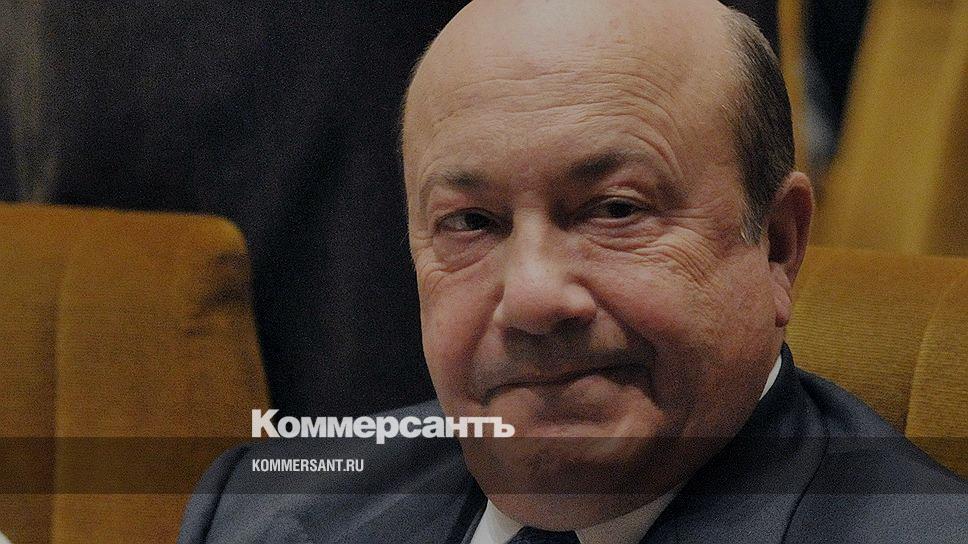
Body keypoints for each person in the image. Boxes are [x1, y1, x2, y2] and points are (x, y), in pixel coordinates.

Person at [178, 1, 967, 542]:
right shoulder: (262, 507)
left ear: (778, 245)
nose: (531, 297)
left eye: (614, 211)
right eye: (471, 223)